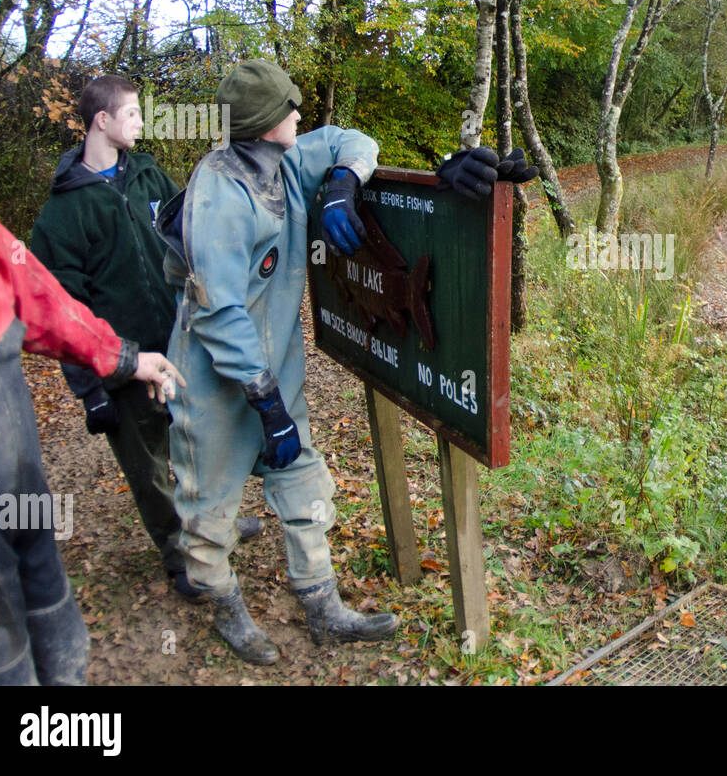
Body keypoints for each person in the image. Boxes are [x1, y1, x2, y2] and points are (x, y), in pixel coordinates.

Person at [156, 59, 536, 664]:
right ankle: (225, 606)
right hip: (212, 382)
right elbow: (219, 313)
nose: (300, 115)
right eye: (289, 108)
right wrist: (265, 403)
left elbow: (347, 140)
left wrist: (342, 181)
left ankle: (323, 608)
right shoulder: (218, 195)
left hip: (275, 371)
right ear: (260, 123)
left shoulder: (283, 163)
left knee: (303, 487)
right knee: (209, 506)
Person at [30, 75, 259, 603]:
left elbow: (188, 234)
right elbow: (59, 309)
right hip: (123, 361)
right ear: (101, 121)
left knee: (196, 443)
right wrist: (90, 388)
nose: (140, 122)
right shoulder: (63, 213)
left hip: (179, 343)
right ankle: (180, 554)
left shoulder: (152, 176)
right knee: (151, 464)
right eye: (131, 114)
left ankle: (214, 527)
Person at [0, 187, 184, 685]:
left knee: (55, 632)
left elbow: (37, 294)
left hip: (19, 489)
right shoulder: (64, 209)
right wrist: (96, 389)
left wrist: (123, 357)